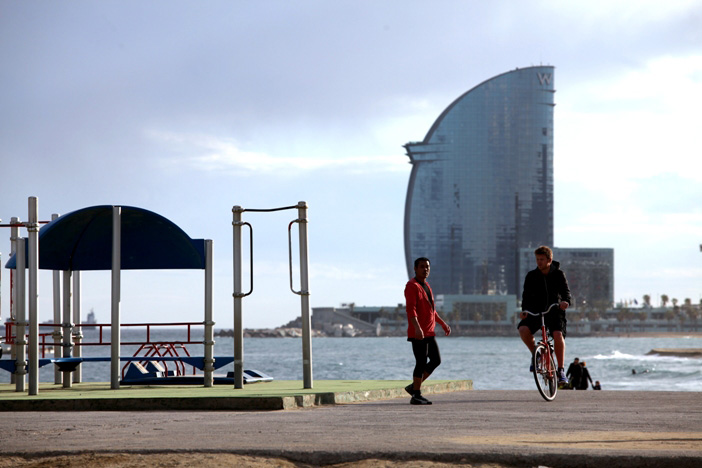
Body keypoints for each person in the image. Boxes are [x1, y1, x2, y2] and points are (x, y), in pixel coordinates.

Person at [518, 245, 572, 386]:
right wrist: (525, 310)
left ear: (549, 260)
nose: (539, 262)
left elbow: (566, 292)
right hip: (535, 312)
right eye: (537, 259)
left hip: (554, 311)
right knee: (523, 330)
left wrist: (565, 302)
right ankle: (537, 355)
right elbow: (526, 296)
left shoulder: (559, 274)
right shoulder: (531, 276)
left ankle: (560, 370)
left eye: (542, 259)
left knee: (557, 335)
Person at [404, 257, 451, 405]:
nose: (425, 269)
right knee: (421, 361)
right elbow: (410, 309)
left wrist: (443, 324)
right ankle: (416, 395)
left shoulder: (426, 286)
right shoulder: (411, 286)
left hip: (429, 332)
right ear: (415, 269)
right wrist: (417, 328)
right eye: (422, 267)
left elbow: (432, 311)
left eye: (427, 267)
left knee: (436, 360)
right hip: (418, 332)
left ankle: (414, 387)